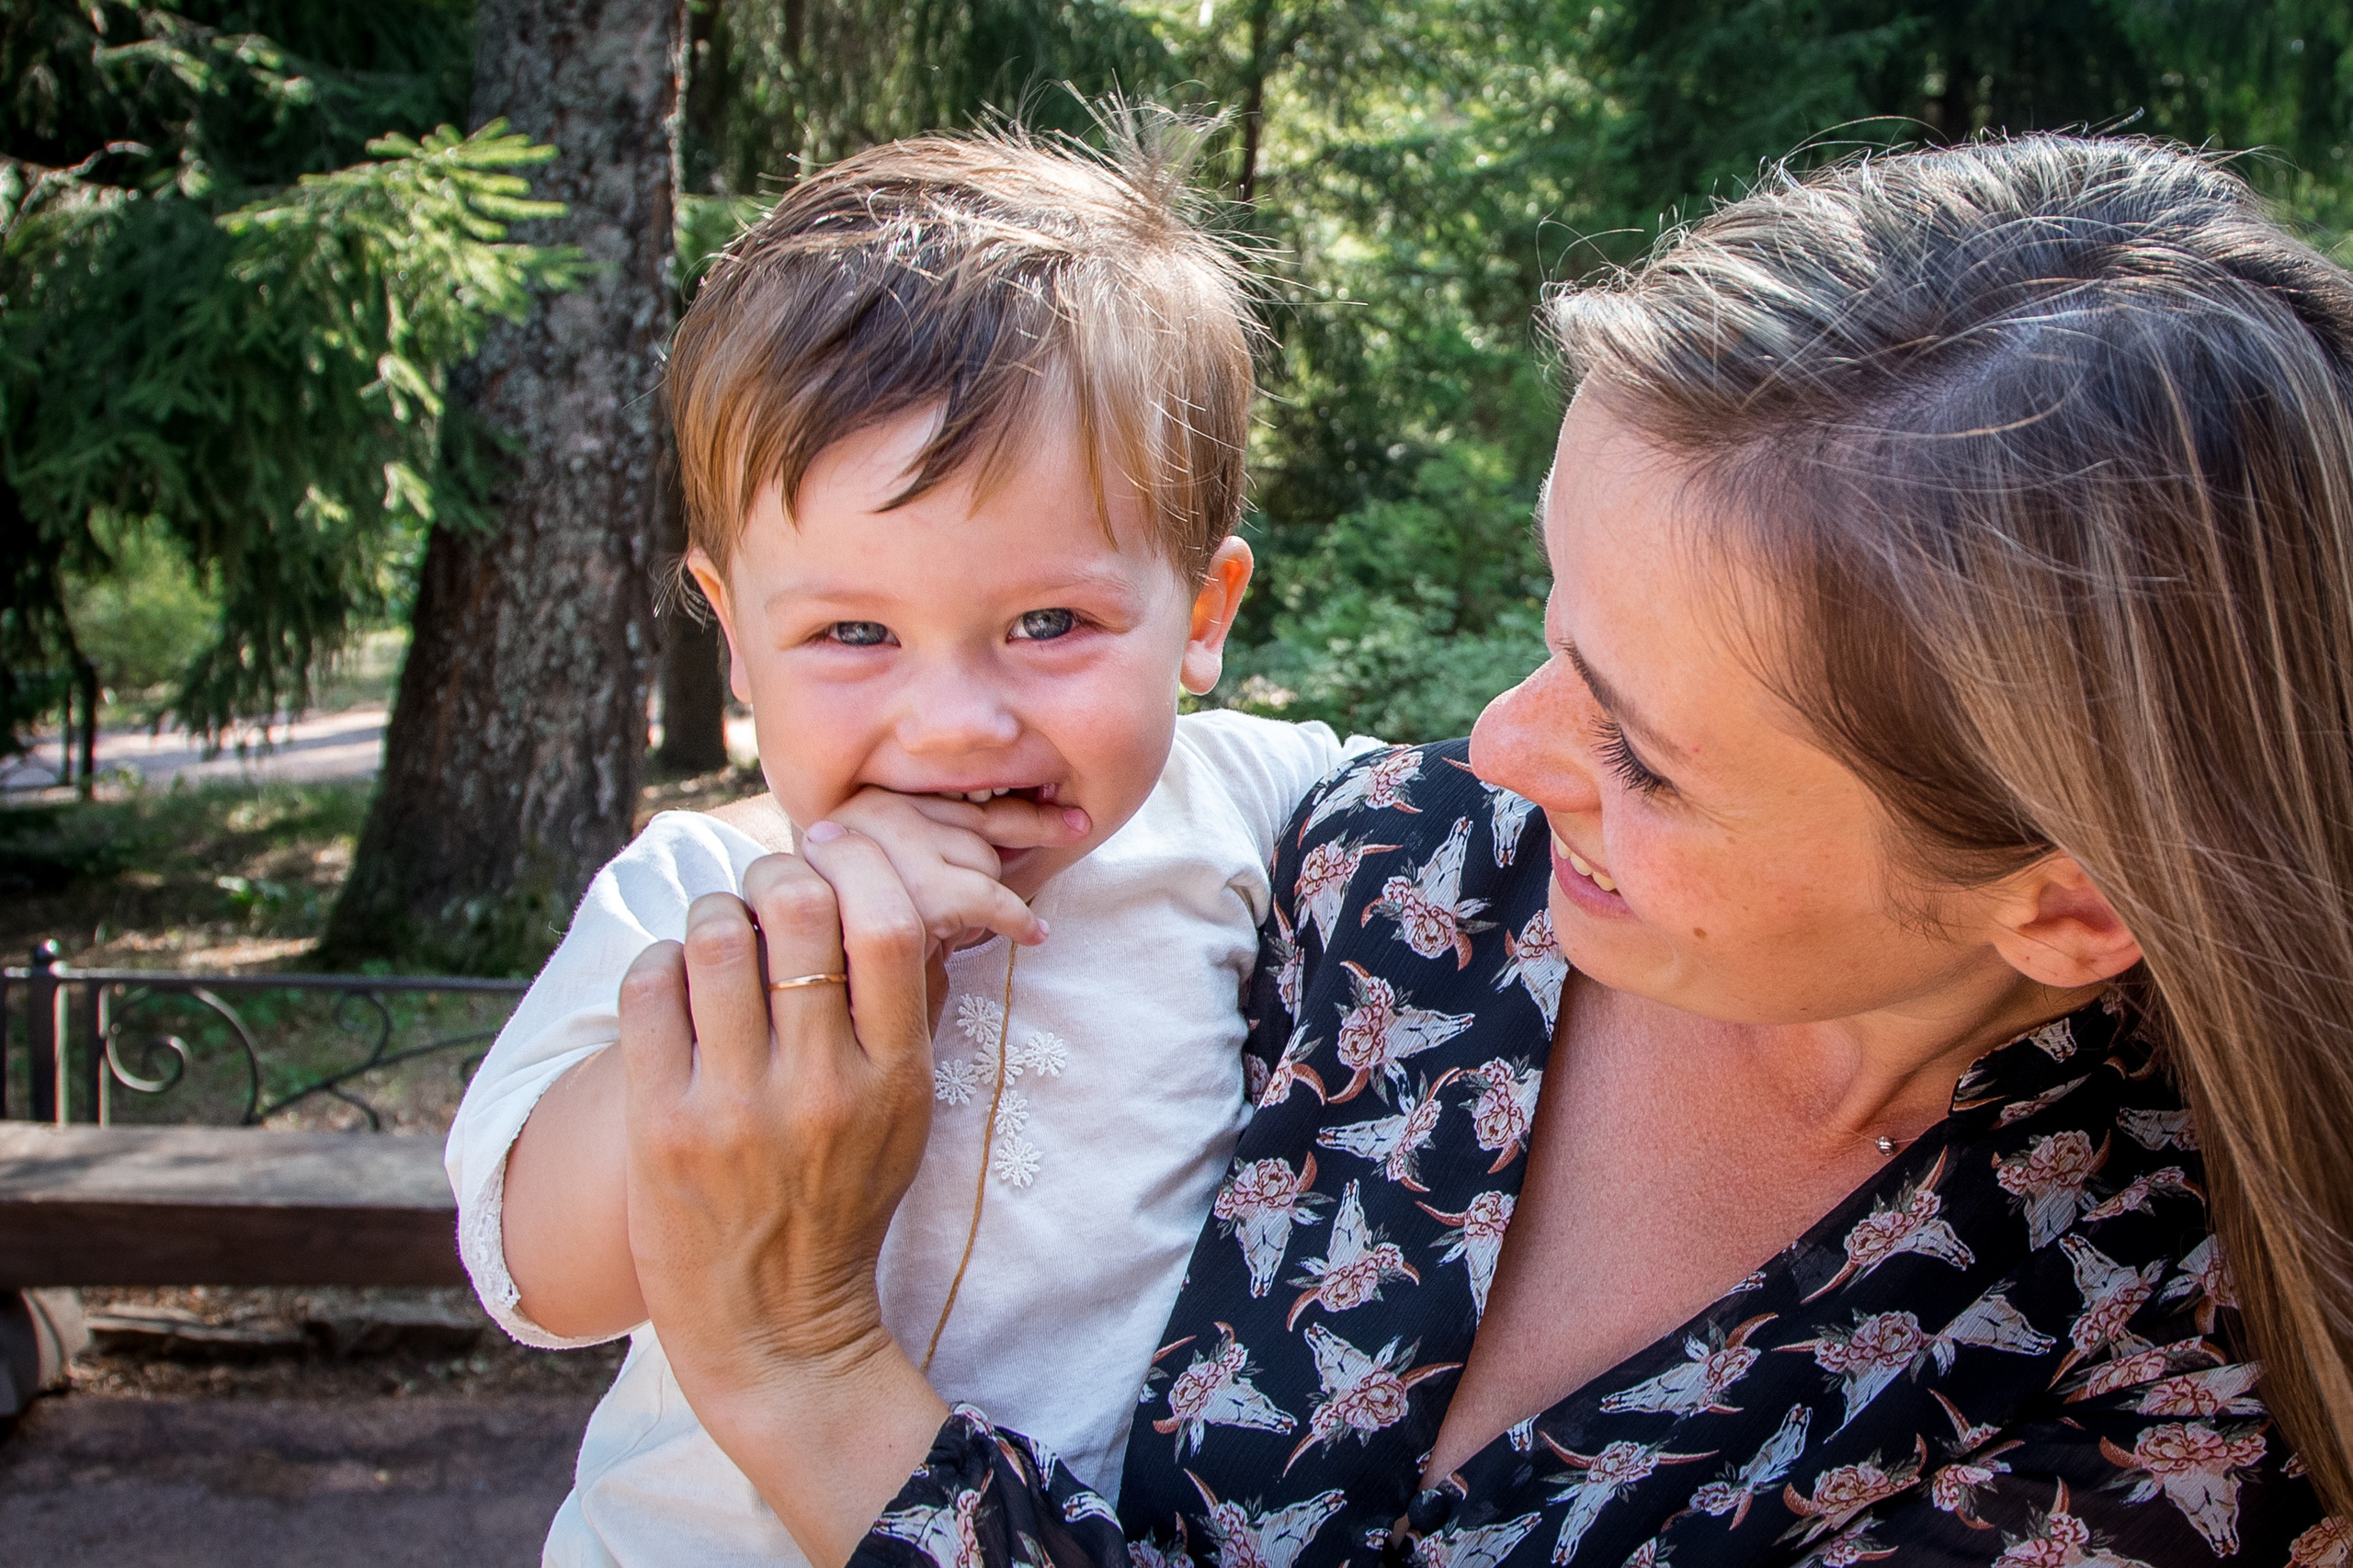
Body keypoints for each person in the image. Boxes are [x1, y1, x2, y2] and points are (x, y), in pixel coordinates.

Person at [608, 134, 2353, 1568]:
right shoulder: (1405, 879)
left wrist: (800, 1367)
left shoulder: (2170, 1397)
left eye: (1645, 758)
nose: (1498, 752)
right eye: (1556, 620)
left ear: (2069, 907)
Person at [443, 122, 1377, 1567]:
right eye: (853, 633)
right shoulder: (700, 892)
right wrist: (759, 987)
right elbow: (535, 1275)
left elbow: (1495, 827)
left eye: (1049, 624)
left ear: (1201, 613)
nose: (951, 725)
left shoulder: (1255, 809)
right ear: (737, 635)